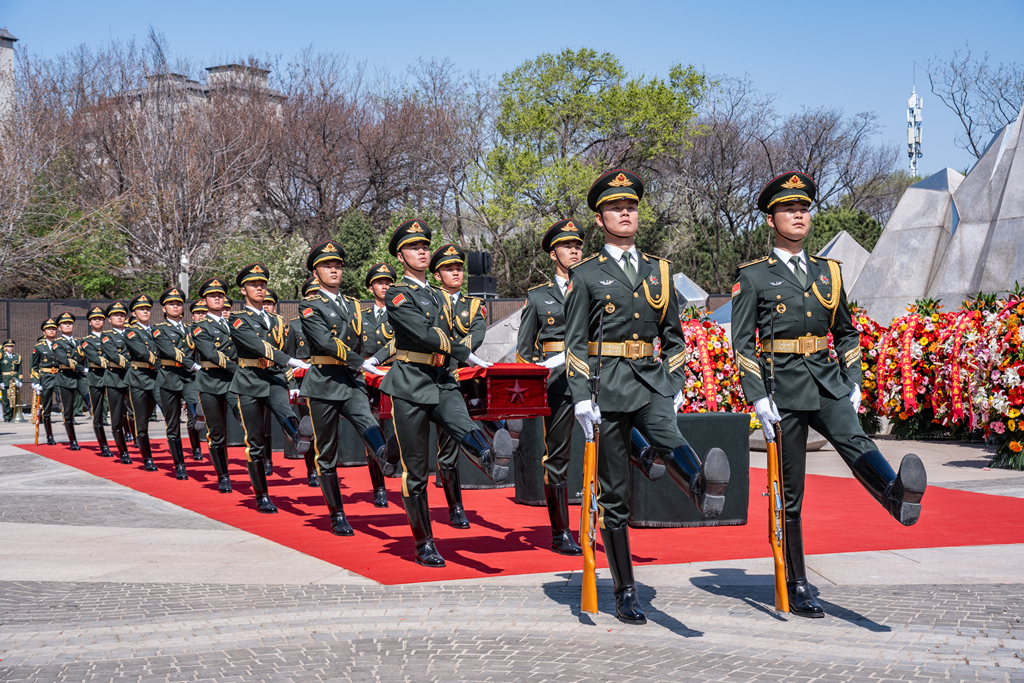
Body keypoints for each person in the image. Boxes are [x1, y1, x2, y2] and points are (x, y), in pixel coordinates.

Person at [732, 171, 928, 618]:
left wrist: (854, 378)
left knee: (856, 440)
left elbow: (846, 333)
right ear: (770, 219)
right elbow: (743, 342)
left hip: (827, 381)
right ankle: (797, 582)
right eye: (789, 209)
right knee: (791, 491)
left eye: (803, 208)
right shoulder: (754, 277)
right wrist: (757, 396)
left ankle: (895, 495)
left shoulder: (829, 272)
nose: (799, 215)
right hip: (782, 387)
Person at [564, 169, 732, 625]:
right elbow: (575, 342)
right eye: (616, 208)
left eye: (631, 206)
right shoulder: (585, 275)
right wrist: (581, 396)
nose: (625, 212)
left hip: (650, 381)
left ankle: (701, 486)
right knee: (615, 493)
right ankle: (625, 590)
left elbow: (674, 337)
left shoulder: (660, 271)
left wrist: (673, 384)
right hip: (606, 385)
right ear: (600, 220)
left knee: (666, 433)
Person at [380, 219, 509, 567]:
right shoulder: (397, 294)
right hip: (410, 381)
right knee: (417, 472)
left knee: (462, 422)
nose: (422, 251)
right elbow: (422, 333)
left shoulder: (439, 296)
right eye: (414, 247)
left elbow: (460, 329)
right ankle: (424, 542)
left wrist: (462, 349)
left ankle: (488, 457)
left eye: (425, 246)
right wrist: (462, 351)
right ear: (400, 255)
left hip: (442, 376)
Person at [299, 242, 393, 534]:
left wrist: (368, 362)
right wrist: (361, 363)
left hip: (352, 381)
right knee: (327, 452)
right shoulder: (309, 306)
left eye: (337, 265)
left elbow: (361, 340)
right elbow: (327, 343)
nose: (335, 270)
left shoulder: (354, 305)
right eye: (328, 266)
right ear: (316, 273)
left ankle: (386, 456)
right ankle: (336, 513)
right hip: (324, 383)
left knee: (367, 421)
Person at [515, 219, 587, 555]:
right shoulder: (538, 297)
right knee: (557, 457)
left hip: (593, 379)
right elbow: (523, 350)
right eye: (566, 246)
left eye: (578, 245)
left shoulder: (593, 286)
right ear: (552, 254)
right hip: (557, 385)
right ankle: (561, 532)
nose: (574, 250)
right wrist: (535, 378)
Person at [228, 263, 312, 514]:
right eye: (255, 285)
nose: (260, 288)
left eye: (263, 284)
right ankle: (261, 495)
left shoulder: (276, 319)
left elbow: (284, 347)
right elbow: (257, 346)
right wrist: (289, 360)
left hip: (274, 377)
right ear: (244, 290)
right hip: (249, 379)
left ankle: (298, 437)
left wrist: (288, 369)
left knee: (284, 409)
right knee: (254, 442)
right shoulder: (237, 319)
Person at [428, 243, 499, 529]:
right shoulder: (429, 300)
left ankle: (456, 506)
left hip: (460, 377)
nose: (456, 272)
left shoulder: (473, 305)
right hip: (429, 376)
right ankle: (453, 505)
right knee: (436, 445)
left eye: (458, 268)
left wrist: (457, 351)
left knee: (461, 434)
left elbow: (477, 334)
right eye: (449, 268)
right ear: (437, 275)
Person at [191, 278, 241, 493]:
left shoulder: (236, 324)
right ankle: (223, 475)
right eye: (213, 296)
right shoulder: (200, 327)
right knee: (217, 432)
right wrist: (240, 370)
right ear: (205, 301)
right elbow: (212, 355)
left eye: (220, 295)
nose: (218, 298)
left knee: (247, 422)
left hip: (234, 383)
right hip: (212, 383)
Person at [358, 262, 398, 507]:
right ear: (371, 287)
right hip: (369, 379)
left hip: (396, 375)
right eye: (380, 282)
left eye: (388, 282)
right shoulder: (361, 317)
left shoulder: (401, 312)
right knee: (373, 431)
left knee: (400, 430)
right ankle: (378, 487)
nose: (384, 286)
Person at [151, 287, 202, 480]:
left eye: (179, 304)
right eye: (172, 304)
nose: (175, 306)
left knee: (195, 411)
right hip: (170, 377)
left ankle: (197, 447)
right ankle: (179, 464)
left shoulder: (191, 329)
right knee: (172, 423)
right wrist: (195, 365)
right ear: (164, 309)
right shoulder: (158, 329)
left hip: (188, 378)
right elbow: (171, 352)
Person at [283, 274, 319, 487]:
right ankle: (311, 470)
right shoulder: (296, 325)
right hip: (305, 382)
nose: (315, 298)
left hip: (328, 379)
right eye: (311, 295)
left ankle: (325, 467)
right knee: (309, 429)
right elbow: (289, 358)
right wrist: (292, 386)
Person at [123, 295, 160, 471]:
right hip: (139, 378)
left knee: (166, 415)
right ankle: (147, 458)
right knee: (141, 420)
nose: (145, 311)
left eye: (147, 309)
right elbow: (144, 354)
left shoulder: (156, 331)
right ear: (134, 313)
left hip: (156, 378)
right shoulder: (131, 332)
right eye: (141, 309)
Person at [99, 302, 133, 462]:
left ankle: (139, 443)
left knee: (137, 414)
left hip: (134, 378)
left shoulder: (134, 333)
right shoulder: (107, 336)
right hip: (115, 378)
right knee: (117, 417)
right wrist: (134, 366)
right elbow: (114, 356)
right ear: (110, 319)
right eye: (115, 315)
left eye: (122, 315)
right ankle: (123, 451)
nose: (119, 317)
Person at [78, 307, 112, 456]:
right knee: (97, 413)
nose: (98, 321)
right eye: (95, 319)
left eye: (100, 318)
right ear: (90, 322)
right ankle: (103, 444)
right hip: (96, 378)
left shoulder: (111, 337)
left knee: (121, 411)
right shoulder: (86, 341)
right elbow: (89, 358)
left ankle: (127, 438)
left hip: (113, 377)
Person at [29, 319, 60, 445]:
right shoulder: (39, 347)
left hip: (60, 377)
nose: (52, 330)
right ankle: (49, 436)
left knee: (64, 403)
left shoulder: (60, 344)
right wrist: (35, 381)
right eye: (49, 329)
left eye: (53, 329)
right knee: (46, 408)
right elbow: (34, 366)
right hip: (46, 378)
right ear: (44, 331)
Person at [1, 339, 23, 423]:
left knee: (14, 398)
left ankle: (14, 415)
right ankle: (7, 415)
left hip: (14, 380)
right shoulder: (2, 357)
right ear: (5, 348)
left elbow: (20, 370)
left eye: (12, 346)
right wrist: (0, 381)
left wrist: (20, 380)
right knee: (6, 399)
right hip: (5, 380)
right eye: (9, 346)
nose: (11, 348)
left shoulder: (17, 357)